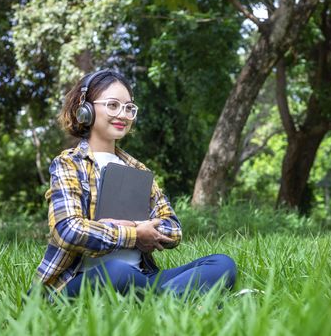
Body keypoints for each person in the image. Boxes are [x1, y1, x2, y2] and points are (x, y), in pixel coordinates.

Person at [30, 69, 237, 300]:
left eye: (129, 108)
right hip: (82, 281)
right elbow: (67, 230)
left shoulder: (139, 171)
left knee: (221, 263)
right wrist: (134, 234)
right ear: (85, 109)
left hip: (140, 277)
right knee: (117, 271)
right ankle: (181, 299)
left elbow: (173, 229)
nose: (123, 114)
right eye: (112, 105)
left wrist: (128, 225)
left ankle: (162, 299)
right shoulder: (68, 164)